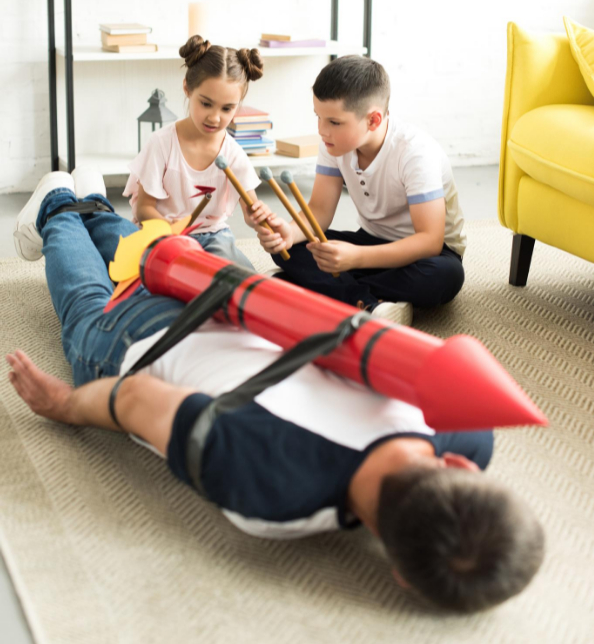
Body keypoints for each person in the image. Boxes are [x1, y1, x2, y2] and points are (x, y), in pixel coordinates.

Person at [9, 171, 545, 613]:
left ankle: (90, 203)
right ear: (401, 574)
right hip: (144, 338)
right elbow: (133, 399)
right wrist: (65, 407)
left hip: (241, 297)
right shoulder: (272, 495)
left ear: (460, 467)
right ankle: (60, 207)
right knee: (86, 303)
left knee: (151, 255)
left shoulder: (467, 422)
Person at [256, 55, 467, 326]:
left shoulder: (415, 153)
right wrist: (289, 233)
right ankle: (366, 301)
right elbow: (319, 210)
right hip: (371, 240)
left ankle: (319, 286)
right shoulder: (332, 143)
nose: (322, 130)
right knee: (290, 247)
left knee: (446, 276)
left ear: (373, 120)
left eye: (334, 122)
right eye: (318, 117)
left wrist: (355, 259)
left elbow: (429, 241)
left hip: (429, 253)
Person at [124, 35, 272, 270]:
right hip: (164, 232)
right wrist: (171, 233)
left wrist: (259, 216)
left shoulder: (233, 153)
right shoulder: (161, 143)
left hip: (212, 234)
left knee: (237, 276)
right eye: (206, 104)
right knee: (153, 274)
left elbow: (250, 211)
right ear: (187, 88)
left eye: (227, 108)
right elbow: (144, 209)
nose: (215, 117)